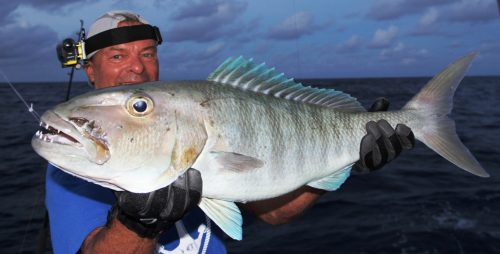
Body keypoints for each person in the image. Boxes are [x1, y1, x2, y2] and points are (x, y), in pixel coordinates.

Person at [46, 10, 414, 254]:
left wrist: (345, 158)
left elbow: (274, 213)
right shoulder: (76, 164)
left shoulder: (192, 119)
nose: (137, 69)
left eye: (147, 53)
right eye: (117, 56)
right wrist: (138, 222)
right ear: (90, 71)